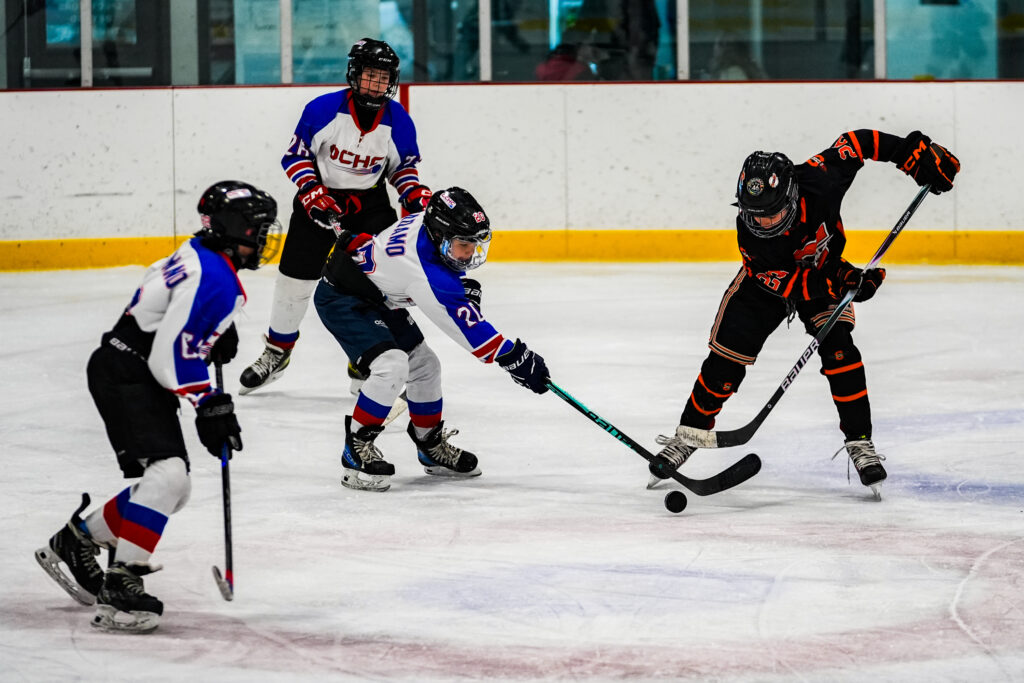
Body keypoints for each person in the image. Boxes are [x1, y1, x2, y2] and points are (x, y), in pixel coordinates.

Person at [649, 130, 960, 495]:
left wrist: (912, 153)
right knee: (724, 363)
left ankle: (860, 443)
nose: (762, 223)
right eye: (755, 215)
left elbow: (857, 142)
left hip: (824, 270)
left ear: (792, 194)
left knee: (840, 350)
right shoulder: (750, 235)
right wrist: (844, 281)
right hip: (764, 287)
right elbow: (786, 284)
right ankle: (688, 436)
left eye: (772, 213)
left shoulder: (820, 179)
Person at [35, 181, 279, 633]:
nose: (262, 238)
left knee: (174, 487)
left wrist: (206, 333)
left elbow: (157, 286)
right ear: (230, 228)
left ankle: (77, 541)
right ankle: (120, 587)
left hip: (127, 368)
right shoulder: (217, 278)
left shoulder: (199, 252)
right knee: (167, 477)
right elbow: (170, 357)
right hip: (130, 374)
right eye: (255, 228)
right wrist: (210, 404)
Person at [313, 187, 551, 492]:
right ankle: (356, 449)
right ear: (440, 235)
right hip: (343, 300)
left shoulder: (427, 223)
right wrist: (515, 357)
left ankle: (429, 445)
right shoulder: (426, 275)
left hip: (379, 294)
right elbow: (471, 333)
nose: (469, 254)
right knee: (392, 365)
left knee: (425, 366)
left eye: (474, 245)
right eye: (463, 245)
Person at [240, 37, 430, 395]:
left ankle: (366, 358)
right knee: (294, 282)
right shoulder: (322, 110)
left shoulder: (399, 121)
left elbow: (401, 169)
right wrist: (311, 190)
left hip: (370, 210)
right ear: (354, 75)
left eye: (382, 78)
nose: (375, 85)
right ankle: (277, 352)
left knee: (376, 287)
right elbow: (295, 157)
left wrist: (413, 191)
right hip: (318, 202)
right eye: (369, 76)